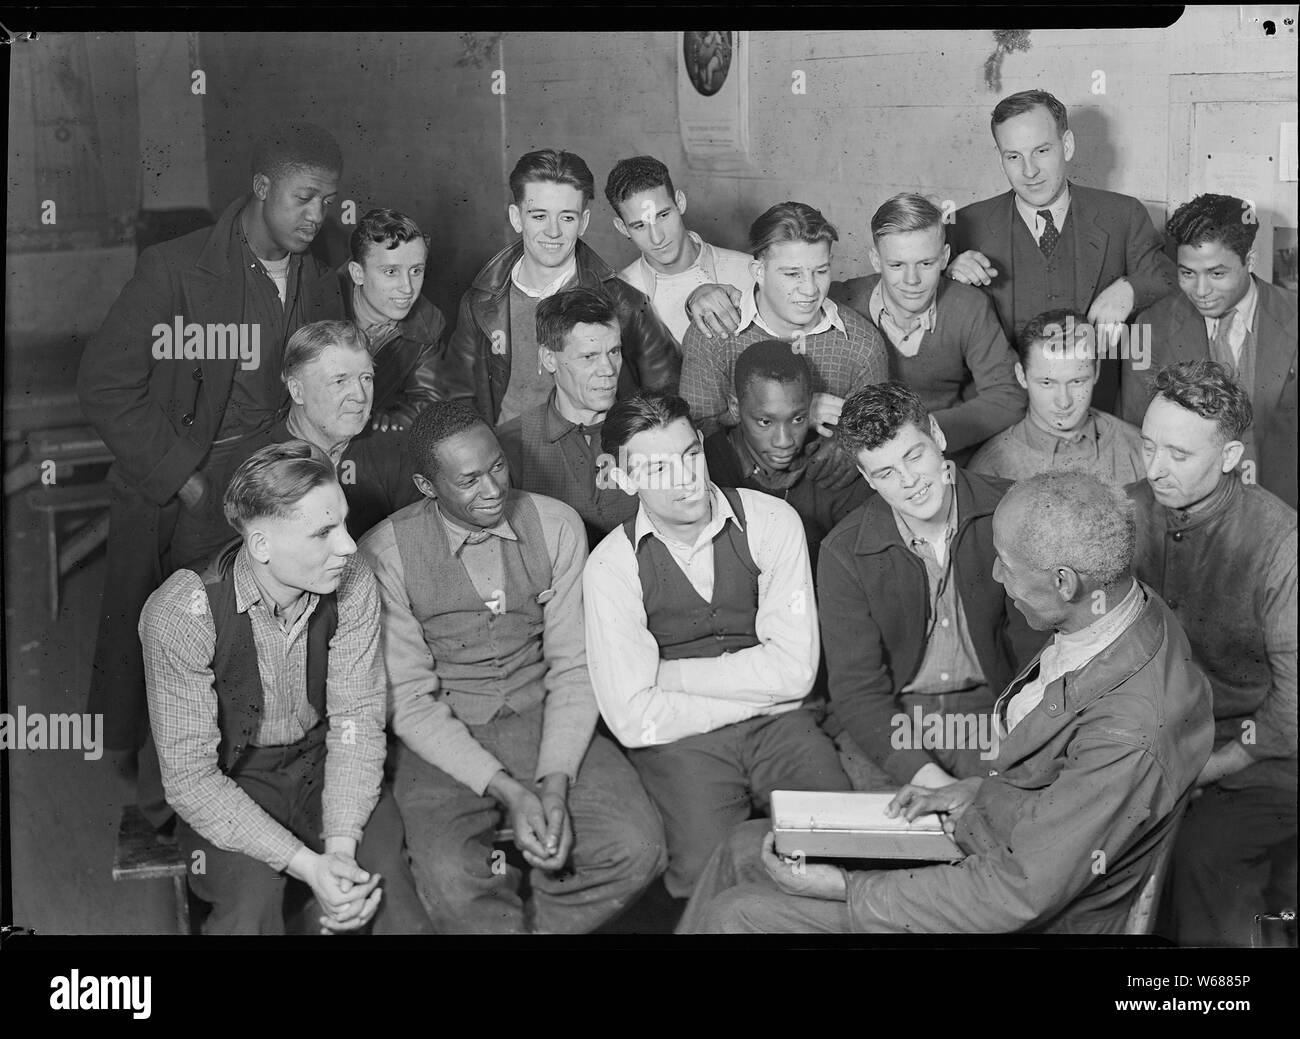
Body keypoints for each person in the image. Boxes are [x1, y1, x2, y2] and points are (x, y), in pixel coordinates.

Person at [679, 469, 1214, 934]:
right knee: (745, 845)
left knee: (739, 914)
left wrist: (847, 888)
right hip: (998, 843)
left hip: (1028, 911)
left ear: (1064, 581)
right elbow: (1059, 793)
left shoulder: (1127, 734)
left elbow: (1015, 895)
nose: (997, 576)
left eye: (1006, 564)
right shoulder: (1123, 608)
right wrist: (973, 794)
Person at [78, 121, 346, 757]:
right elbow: (106, 386)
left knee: (273, 640)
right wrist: (188, 482)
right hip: (190, 483)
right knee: (177, 649)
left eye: (327, 202)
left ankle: (263, 779)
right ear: (260, 186)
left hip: (279, 480)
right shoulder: (173, 269)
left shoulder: (320, 276)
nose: (316, 216)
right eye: (302, 197)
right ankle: (155, 811)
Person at [359, 401, 665, 932]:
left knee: (639, 846)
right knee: (451, 878)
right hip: (444, 735)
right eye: (469, 480)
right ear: (427, 487)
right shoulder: (384, 553)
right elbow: (409, 702)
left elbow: (574, 666)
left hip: (544, 714)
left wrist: (553, 783)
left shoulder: (557, 524)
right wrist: (509, 790)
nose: (493, 489)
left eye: (498, 465)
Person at [140, 441, 427, 934]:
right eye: (323, 533)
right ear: (261, 546)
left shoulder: (353, 580)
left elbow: (356, 721)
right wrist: (309, 866)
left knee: (390, 896)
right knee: (251, 908)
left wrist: (339, 850)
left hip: (324, 763)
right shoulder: (182, 614)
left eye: (343, 522)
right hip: (232, 777)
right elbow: (192, 781)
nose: (349, 546)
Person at [583, 392, 851, 899]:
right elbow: (631, 717)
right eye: (658, 468)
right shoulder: (610, 567)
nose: (685, 479)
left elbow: (795, 673)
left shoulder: (771, 522)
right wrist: (758, 686)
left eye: (690, 455)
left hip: (781, 724)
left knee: (836, 845)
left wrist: (667, 677)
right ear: (623, 478)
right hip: (683, 745)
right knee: (712, 879)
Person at [1127, 360, 1297, 946]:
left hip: (1259, 760)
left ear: (1229, 458)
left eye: (1178, 454)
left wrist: (1211, 767)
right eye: (1147, 446)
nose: (1154, 469)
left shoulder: (1280, 542)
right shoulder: (1123, 513)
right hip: (1150, 745)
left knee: (1205, 862)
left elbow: (1291, 711)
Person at [817, 382, 1042, 792]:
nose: (910, 481)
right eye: (886, 472)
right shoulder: (843, 552)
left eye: (914, 455)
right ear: (867, 478)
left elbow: (1037, 649)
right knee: (882, 837)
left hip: (990, 708)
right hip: (893, 717)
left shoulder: (1011, 511)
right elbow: (857, 691)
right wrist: (930, 783)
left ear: (937, 436)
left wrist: (1016, 724)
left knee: (1010, 818)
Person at [947, 90, 1175, 414]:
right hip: (1003, 421)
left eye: (1041, 150)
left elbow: (1168, 275)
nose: (1029, 171)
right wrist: (947, 272)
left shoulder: (1122, 215)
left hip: (1100, 415)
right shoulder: (966, 224)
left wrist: (1130, 288)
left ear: (1066, 145)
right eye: (1013, 156)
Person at [441, 148, 679, 425]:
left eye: (567, 217)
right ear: (517, 218)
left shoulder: (623, 303)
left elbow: (665, 400)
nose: (553, 232)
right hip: (505, 457)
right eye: (539, 216)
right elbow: (457, 398)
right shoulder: (481, 302)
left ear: (584, 222)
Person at [679, 201, 889, 488]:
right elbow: (694, 434)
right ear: (758, 272)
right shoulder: (714, 333)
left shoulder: (861, 346)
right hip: (733, 490)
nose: (810, 289)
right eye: (792, 274)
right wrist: (796, 415)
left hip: (826, 494)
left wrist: (848, 443)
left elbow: (876, 439)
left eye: (821, 271)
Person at [1119, 193, 1298, 508]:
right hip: (1189, 517)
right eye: (1187, 273)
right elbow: (1135, 431)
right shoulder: (1149, 326)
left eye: (1217, 274)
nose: (1201, 291)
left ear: (1250, 260)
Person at [829, 193, 1025, 459]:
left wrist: (922, 434)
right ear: (876, 261)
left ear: (945, 257)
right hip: (859, 457)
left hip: (942, 452)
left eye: (926, 263)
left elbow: (1009, 396)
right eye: (897, 265)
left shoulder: (969, 307)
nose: (913, 280)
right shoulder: (842, 302)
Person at [701, 338, 870, 569]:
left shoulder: (833, 465)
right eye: (765, 421)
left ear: (811, 404)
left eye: (798, 419)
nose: (784, 441)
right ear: (734, 407)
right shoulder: (706, 468)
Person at [496, 287, 638, 549]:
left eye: (614, 352)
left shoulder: (653, 432)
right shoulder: (510, 446)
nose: (607, 369)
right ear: (549, 359)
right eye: (589, 356)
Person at [970, 308, 1145, 484]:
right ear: (1021, 376)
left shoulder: (1139, 450)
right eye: (1047, 383)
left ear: (1097, 370)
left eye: (1077, 381)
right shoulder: (990, 469)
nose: (1063, 402)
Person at [605, 155, 754, 345]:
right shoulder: (619, 296)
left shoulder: (748, 270)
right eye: (639, 226)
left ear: (680, 202)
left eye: (663, 215)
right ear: (622, 228)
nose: (657, 238)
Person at [341, 207, 448, 433]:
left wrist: (395, 421)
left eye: (416, 271)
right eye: (391, 272)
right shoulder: (315, 302)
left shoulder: (427, 321)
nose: (407, 288)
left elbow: (428, 401)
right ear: (357, 273)